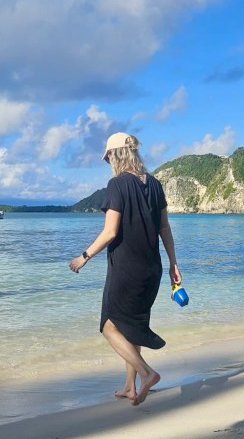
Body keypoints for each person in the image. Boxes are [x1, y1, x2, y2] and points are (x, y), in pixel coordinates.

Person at [69, 132, 181, 406]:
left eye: (108, 157)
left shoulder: (117, 185)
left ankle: (147, 373)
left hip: (126, 269)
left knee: (109, 327)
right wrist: (173, 264)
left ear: (116, 155)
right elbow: (165, 229)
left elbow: (110, 232)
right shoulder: (155, 184)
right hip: (152, 269)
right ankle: (130, 386)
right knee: (133, 327)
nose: (108, 162)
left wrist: (84, 256)